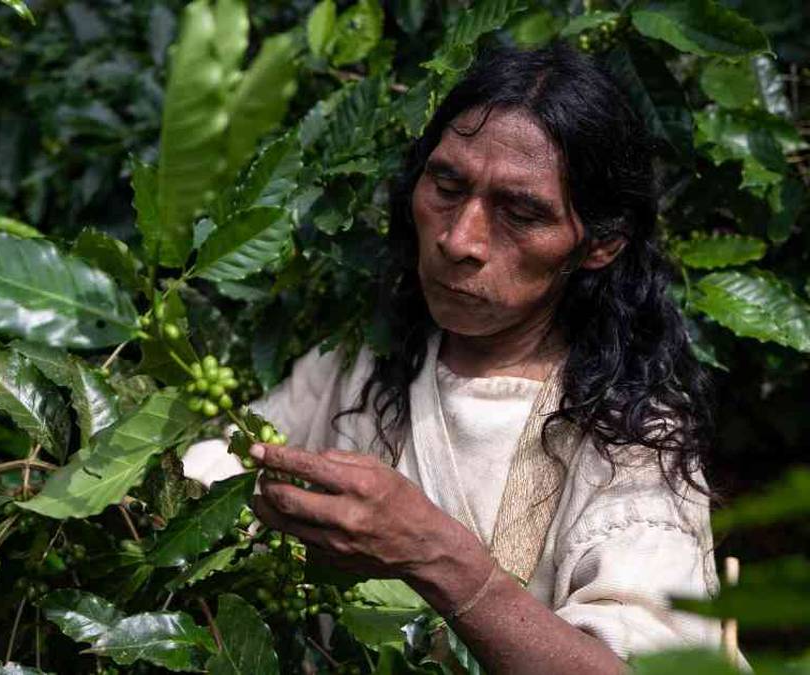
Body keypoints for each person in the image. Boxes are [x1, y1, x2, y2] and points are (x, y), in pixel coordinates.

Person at [183, 43, 722, 673]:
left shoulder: (629, 441)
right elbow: (208, 476)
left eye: (521, 212)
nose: (459, 239)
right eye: (446, 185)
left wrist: (436, 555)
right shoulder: (365, 365)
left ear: (598, 245)